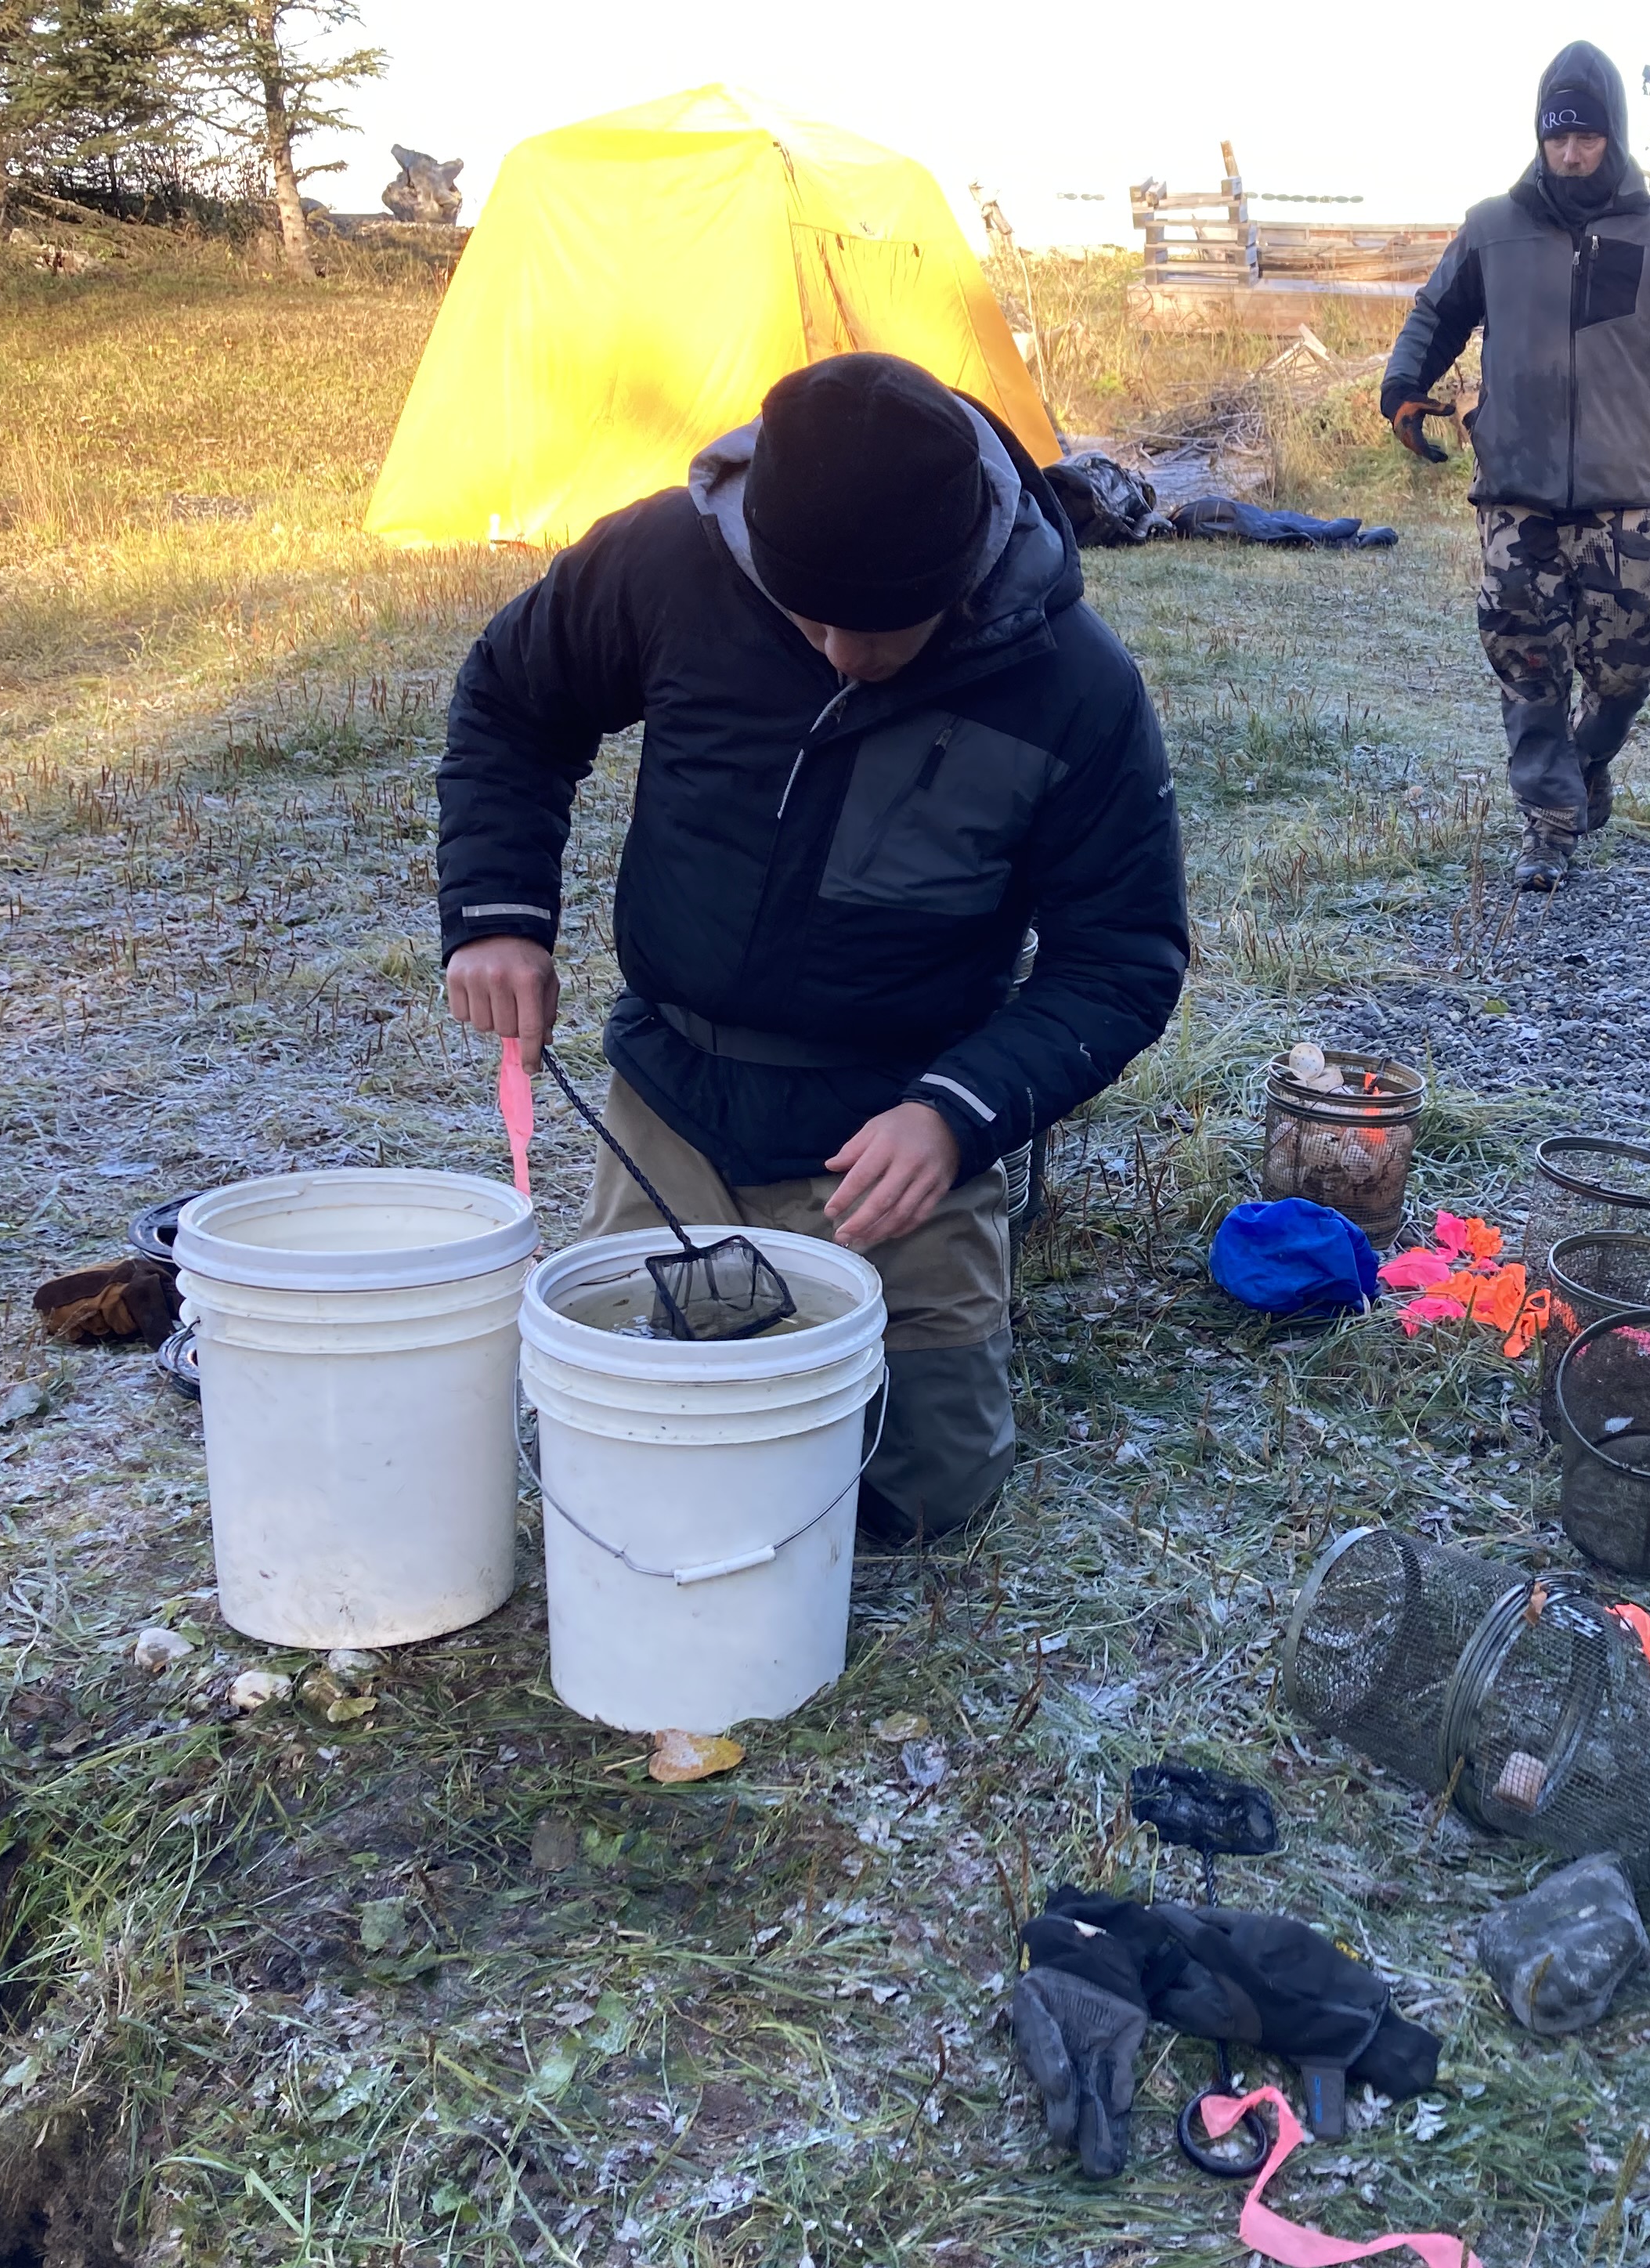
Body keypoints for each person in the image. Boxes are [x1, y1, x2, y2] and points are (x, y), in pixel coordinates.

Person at [436, 352, 1190, 1541]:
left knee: (924, 1497)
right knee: (630, 1445)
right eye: (809, 617)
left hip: (892, 1134)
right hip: (674, 1099)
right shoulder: (670, 560)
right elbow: (513, 703)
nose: (841, 653)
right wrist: (496, 915)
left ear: (961, 572)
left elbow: (1124, 959)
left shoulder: (1074, 687)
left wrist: (954, 1114)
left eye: (880, 627)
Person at [1380, 39, 1650, 893]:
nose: (1571, 154)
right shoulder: (1493, 227)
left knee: (1631, 661)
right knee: (1527, 661)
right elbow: (1436, 314)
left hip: (1618, 499)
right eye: (1557, 137)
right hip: (1516, 495)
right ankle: (1549, 825)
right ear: (1539, 138)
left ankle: (1587, 760)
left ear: (1614, 136)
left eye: (1588, 137)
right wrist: (1402, 389)